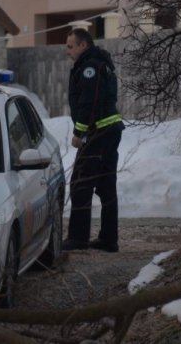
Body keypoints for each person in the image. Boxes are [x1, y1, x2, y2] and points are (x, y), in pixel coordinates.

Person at [63, 28, 124, 252]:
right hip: (108, 130)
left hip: (98, 132)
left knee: (81, 183)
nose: (67, 51)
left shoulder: (90, 67)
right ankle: (109, 239)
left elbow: (89, 102)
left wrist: (79, 133)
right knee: (107, 185)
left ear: (83, 45)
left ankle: (78, 238)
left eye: (71, 46)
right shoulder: (100, 63)